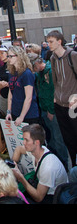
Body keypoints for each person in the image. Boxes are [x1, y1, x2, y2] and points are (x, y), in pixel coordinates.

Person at [28, 53, 68, 169]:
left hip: (52, 110)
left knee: (57, 137)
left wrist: (51, 110)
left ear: (36, 64)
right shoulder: (41, 73)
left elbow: (53, 91)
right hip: (44, 108)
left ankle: (63, 163)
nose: (33, 71)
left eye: (33, 68)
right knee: (51, 137)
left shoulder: (50, 72)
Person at [12, 123, 68, 204]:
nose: (23, 143)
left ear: (37, 142)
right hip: (43, 187)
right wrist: (14, 164)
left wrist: (20, 178)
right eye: (23, 139)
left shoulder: (48, 167)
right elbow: (18, 149)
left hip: (54, 196)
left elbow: (39, 198)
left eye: (26, 140)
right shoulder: (37, 150)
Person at [47, 30, 77, 167]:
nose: (49, 45)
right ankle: (74, 166)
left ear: (59, 41)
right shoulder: (53, 58)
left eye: (51, 41)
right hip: (59, 104)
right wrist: (55, 97)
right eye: (48, 42)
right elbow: (56, 80)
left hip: (73, 104)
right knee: (67, 138)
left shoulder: (72, 56)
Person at [5, 46, 39, 126]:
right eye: (8, 56)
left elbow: (29, 97)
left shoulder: (27, 73)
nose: (8, 58)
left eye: (11, 56)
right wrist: (9, 111)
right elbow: (10, 93)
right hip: (15, 111)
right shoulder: (12, 73)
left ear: (19, 56)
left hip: (29, 114)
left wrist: (21, 117)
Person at [0, 45, 10, 114]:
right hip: (3, 96)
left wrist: (6, 84)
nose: (0, 55)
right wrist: (1, 84)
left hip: (13, 96)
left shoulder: (14, 66)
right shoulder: (1, 68)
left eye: (2, 53)